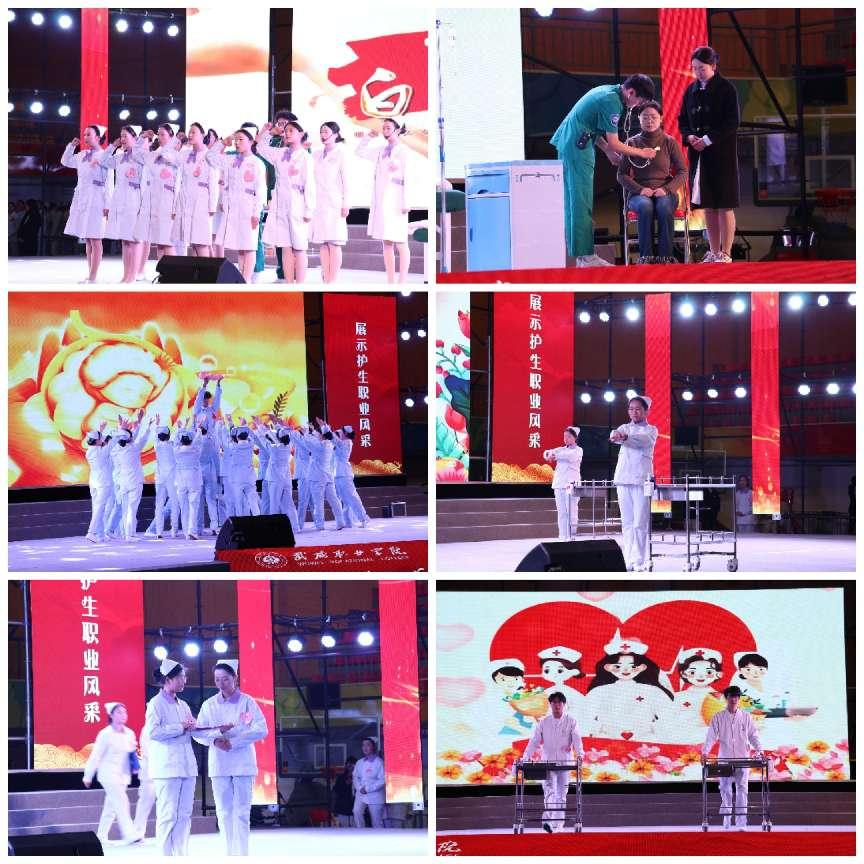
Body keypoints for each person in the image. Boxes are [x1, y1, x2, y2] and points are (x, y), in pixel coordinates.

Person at [550, 74, 658, 266]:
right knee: (581, 202)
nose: (637, 105)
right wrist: (642, 152)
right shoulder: (612, 102)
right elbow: (615, 143)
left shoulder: (608, 91)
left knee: (574, 202)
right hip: (577, 148)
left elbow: (592, 126)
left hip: (572, 143)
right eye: (639, 101)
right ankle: (586, 256)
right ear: (631, 92)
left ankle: (581, 256)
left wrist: (607, 151)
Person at [193, 660, 268, 856]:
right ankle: (229, 854)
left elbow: (261, 729)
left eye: (225, 679)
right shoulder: (209, 704)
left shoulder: (247, 702)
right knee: (224, 812)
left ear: (235, 677)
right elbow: (198, 733)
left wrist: (234, 742)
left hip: (243, 762)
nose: (221, 683)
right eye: (217, 679)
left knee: (242, 812)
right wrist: (215, 740)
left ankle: (241, 855)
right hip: (219, 763)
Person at [679, 46, 741, 263]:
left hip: (722, 155)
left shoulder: (727, 89)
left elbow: (732, 122)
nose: (698, 72)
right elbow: (682, 120)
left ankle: (726, 252)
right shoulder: (690, 90)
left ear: (713, 66)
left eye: (702, 68)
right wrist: (689, 137)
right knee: (708, 205)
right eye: (695, 68)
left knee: (724, 204)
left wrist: (707, 140)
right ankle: (714, 252)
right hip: (699, 156)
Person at [616, 101, 686, 263]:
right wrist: (640, 190)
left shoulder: (669, 142)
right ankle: (645, 256)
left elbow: (683, 171)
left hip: (665, 191)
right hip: (639, 193)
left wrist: (666, 189)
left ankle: (665, 256)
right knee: (645, 206)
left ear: (661, 118)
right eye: (645, 117)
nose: (649, 121)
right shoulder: (632, 143)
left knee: (664, 206)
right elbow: (621, 174)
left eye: (653, 117)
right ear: (639, 119)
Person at [144, 659, 198, 856]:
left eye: (184, 676)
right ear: (168, 679)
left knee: (184, 815)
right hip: (167, 768)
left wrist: (196, 726)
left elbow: (191, 729)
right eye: (181, 677)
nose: (185, 680)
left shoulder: (183, 705)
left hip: (187, 766)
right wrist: (180, 727)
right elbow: (153, 732)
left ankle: (181, 855)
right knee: (167, 815)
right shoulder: (155, 704)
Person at [584, 629, 674, 741]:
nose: (626, 670)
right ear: (608, 667)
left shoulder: (653, 691)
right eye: (618, 666)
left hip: (645, 740)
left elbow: (668, 716)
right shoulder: (599, 691)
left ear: (642, 667)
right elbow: (585, 717)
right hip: (606, 739)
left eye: (633, 666)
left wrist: (659, 734)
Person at [257, 121, 316, 283]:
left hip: (297, 204)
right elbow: (260, 148)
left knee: (299, 247)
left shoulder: (305, 157)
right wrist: (270, 132)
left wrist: (309, 210)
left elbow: (309, 184)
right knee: (285, 246)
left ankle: (300, 284)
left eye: (291, 131)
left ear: (301, 134)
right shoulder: (280, 152)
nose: (287, 133)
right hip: (280, 205)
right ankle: (289, 284)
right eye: (286, 131)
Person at [206, 129, 267, 282]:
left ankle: (246, 280)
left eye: (241, 139)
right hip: (233, 209)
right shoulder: (231, 160)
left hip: (249, 209)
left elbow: (261, 190)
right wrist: (222, 143)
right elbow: (210, 157)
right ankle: (241, 278)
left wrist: (256, 213)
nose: (237, 143)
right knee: (241, 246)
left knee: (249, 246)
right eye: (236, 140)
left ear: (251, 141)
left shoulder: (257, 163)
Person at [356, 118, 411, 283]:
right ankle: (390, 280)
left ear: (397, 130)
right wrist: (368, 137)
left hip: (397, 200)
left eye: (388, 128)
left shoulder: (404, 151)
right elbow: (359, 151)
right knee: (386, 241)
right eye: (384, 128)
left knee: (400, 241)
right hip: (382, 199)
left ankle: (402, 281)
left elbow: (409, 178)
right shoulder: (381, 150)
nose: (385, 131)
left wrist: (407, 202)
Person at [519, 692, 583, 833]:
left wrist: (580, 754)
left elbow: (577, 738)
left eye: (559, 702)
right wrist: (526, 756)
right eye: (554, 702)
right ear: (550, 704)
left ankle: (558, 825)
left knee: (561, 795)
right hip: (547, 762)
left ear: (564, 704)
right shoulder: (544, 722)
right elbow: (534, 740)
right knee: (549, 792)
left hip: (565, 762)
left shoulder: (571, 721)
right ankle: (549, 822)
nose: (557, 705)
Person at [702, 685, 763, 830]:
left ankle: (742, 823)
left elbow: (753, 735)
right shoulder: (718, 717)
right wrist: (705, 752)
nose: (734, 699)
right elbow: (711, 736)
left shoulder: (746, 717)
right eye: (731, 696)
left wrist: (760, 750)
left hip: (743, 759)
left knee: (742, 789)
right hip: (725, 759)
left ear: (739, 698)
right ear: (726, 698)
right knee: (725, 789)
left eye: (736, 697)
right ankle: (727, 818)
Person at [83, 701, 142, 846]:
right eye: (119, 712)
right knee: (122, 802)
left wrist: (137, 767)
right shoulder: (105, 734)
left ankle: (101, 836)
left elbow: (132, 753)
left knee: (111, 807)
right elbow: (96, 755)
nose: (123, 715)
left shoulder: (129, 733)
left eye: (124, 712)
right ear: (111, 715)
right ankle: (129, 834)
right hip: (108, 774)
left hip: (123, 775)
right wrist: (88, 775)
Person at [609, 394, 657, 571]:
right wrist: (617, 435)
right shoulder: (624, 427)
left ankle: (639, 560)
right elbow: (614, 436)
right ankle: (628, 558)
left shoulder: (651, 430)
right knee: (627, 522)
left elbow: (641, 442)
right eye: (631, 409)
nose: (633, 412)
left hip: (641, 480)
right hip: (623, 479)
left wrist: (624, 437)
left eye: (637, 409)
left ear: (646, 411)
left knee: (640, 522)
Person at [60, 125, 113, 282]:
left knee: (96, 239)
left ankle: (93, 276)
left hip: (97, 199)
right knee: (88, 239)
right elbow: (65, 161)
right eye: (84, 134)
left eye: (88, 134)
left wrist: (108, 205)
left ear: (98, 137)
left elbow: (110, 183)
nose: (85, 137)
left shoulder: (105, 156)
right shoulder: (82, 155)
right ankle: (90, 274)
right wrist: (71, 147)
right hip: (82, 199)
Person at [133, 125, 182, 269]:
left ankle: (174, 275)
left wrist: (172, 143)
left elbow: (171, 160)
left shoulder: (176, 155)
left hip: (169, 201)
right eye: (158, 134)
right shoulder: (154, 154)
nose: (159, 137)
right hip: (155, 201)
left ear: (171, 137)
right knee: (160, 242)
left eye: (162, 134)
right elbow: (136, 154)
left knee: (168, 241)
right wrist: (143, 137)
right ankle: (164, 273)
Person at [103, 125, 147, 282]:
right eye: (121, 136)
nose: (122, 139)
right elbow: (104, 161)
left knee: (134, 240)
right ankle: (126, 274)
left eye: (125, 136)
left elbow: (145, 180)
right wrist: (112, 146)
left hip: (135, 200)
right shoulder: (119, 157)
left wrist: (139, 142)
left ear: (134, 138)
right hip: (120, 201)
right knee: (124, 241)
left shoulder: (141, 156)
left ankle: (133, 276)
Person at [173, 122, 219, 257]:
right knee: (192, 241)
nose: (190, 134)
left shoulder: (209, 155)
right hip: (186, 199)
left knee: (201, 241)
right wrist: (176, 139)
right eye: (189, 132)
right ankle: (196, 270)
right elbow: (167, 154)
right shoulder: (184, 154)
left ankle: (206, 270)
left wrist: (212, 206)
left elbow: (213, 182)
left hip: (202, 201)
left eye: (194, 132)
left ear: (202, 135)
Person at [311, 122, 350, 282]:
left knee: (334, 242)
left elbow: (347, 181)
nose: (323, 135)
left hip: (335, 203)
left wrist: (346, 203)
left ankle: (332, 280)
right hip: (319, 203)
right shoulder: (315, 154)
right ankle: (326, 278)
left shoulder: (341, 153)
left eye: (326, 132)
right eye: (321, 132)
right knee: (323, 243)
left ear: (336, 134)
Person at [292, 423, 345, 531]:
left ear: (322, 436)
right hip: (327, 477)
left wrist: (306, 432)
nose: (317, 435)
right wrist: (314, 430)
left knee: (318, 503)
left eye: (319, 434)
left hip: (317, 478)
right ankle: (340, 521)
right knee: (334, 500)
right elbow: (314, 439)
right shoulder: (329, 444)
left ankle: (320, 525)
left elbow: (308, 441)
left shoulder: (319, 446)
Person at [112, 413, 153, 542]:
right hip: (134, 482)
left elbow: (126, 438)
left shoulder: (116, 449)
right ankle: (129, 535)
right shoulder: (134, 448)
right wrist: (146, 425)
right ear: (130, 439)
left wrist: (121, 427)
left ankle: (128, 534)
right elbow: (143, 438)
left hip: (123, 482)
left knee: (126, 509)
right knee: (131, 509)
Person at [255, 421, 299, 532]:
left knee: (274, 504)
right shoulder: (288, 446)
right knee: (289, 504)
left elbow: (263, 438)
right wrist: (277, 426)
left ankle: (273, 528)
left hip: (275, 480)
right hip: (286, 479)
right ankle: (295, 526)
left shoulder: (274, 448)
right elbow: (279, 437)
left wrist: (259, 425)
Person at [193, 378, 223, 535]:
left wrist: (218, 385)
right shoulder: (197, 411)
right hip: (198, 464)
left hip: (210, 462)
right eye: (205, 399)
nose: (206, 401)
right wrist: (204, 386)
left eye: (207, 399)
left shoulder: (212, 411)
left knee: (211, 497)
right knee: (198, 498)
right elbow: (198, 400)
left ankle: (214, 526)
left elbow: (217, 401)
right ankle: (198, 528)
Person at [543, 426, 583, 540]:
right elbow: (546, 453)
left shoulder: (578, 450)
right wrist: (549, 454)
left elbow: (570, 456)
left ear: (575, 438)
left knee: (571, 511)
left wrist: (555, 455)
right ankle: (562, 536)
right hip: (559, 484)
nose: (566, 439)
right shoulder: (560, 449)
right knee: (561, 512)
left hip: (571, 485)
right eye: (565, 436)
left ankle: (571, 536)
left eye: (569, 436)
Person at [675, 648, 724, 736]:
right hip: (682, 735)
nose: (701, 676)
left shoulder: (722, 699)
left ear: (719, 674)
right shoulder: (678, 697)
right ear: (683, 674)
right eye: (692, 672)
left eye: (709, 672)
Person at [174, 421, 205, 540]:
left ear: (181, 441)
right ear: (191, 440)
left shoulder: (176, 450)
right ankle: (192, 531)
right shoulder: (195, 449)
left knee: (184, 507)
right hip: (194, 480)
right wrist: (199, 429)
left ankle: (187, 532)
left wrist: (180, 429)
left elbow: (176, 440)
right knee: (193, 506)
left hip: (181, 481)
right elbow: (198, 439)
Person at [334, 426, 369, 529]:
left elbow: (336, 441)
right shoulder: (341, 443)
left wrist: (327, 430)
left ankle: (363, 518)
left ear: (345, 434)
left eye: (342, 432)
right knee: (345, 500)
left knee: (352, 497)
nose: (340, 433)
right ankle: (348, 521)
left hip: (345, 474)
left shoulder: (347, 442)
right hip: (338, 473)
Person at [84, 423, 114, 543]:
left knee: (97, 508)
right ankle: (91, 532)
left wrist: (100, 431)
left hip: (94, 482)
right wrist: (119, 429)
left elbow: (100, 442)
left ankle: (100, 535)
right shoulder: (101, 451)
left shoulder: (89, 452)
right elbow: (110, 442)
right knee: (99, 508)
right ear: (97, 441)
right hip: (103, 483)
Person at [538, 647, 584, 717]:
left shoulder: (572, 693)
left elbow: (580, 709)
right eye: (547, 671)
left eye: (560, 671)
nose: (554, 674)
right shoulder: (546, 693)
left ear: (574, 671)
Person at [153, 420, 180, 539]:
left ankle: (159, 531)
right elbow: (178, 438)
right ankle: (174, 530)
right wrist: (179, 428)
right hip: (171, 478)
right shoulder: (172, 446)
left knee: (159, 504)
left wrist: (157, 424)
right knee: (174, 503)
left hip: (160, 478)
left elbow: (156, 436)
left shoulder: (157, 445)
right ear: (168, 436)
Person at [352, 738, 386, 829]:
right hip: (361, 794)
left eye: (368, 745)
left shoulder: (379, 762)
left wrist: (368, 789)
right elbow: (355, 777)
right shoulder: (359, 762)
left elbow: (382, 780)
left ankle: (379, 836)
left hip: (375, 795)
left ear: (373, 747)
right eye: (363, 745)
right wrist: (360, 788)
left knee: (376, 821)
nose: (365, 747)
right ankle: (361, 832)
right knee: (356, 811)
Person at [133, 724, 157, 840]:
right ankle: (138, 832)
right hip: (150, 773)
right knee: (145, 803)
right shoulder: (148, 728)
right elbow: (146, 751)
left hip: (167, 772)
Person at [333, 757, 357, 827]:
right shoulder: (341, 777)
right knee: (344, 829)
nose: (350, 765)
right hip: (342, 809)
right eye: (348, 763)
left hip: (355, 808)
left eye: (352, 763)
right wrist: (345, 784)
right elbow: (336, 790)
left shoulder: (360, 777)